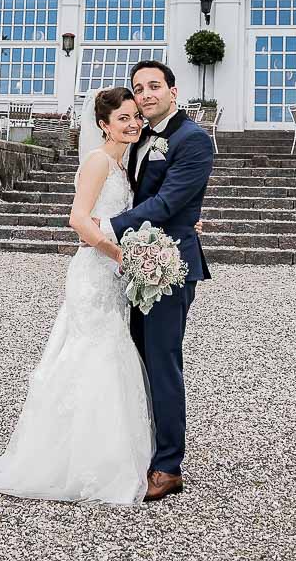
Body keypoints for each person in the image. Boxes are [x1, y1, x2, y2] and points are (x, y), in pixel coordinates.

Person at [0, 87, 153, 505]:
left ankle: (101, 453)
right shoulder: (98, 161)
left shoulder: (123, 163)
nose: (133, 123)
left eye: (135, 116)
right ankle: (80, 462)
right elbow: (77, 218)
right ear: (103, 125)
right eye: (123, 118)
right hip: (95, 273)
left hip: (112, 275)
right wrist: (120, 254)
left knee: (110, 353)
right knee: (95, 353)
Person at [102, 60, 214, 502]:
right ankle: (137, 444)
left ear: (173, 89)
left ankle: (168, 464)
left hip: (169, 265)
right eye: (138, 88)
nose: (145, 94)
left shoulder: (193, 139)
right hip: (134, 262)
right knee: (134, 357)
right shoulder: (139, 135)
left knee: (163, 361)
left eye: (154, 86)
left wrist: (104, 225)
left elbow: (168, 202)